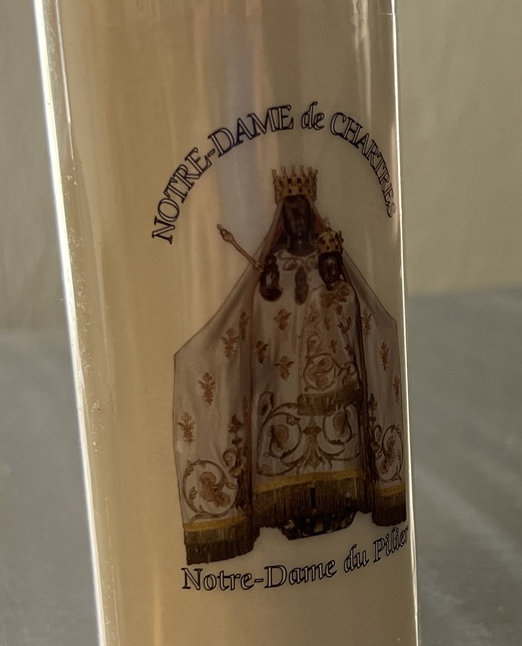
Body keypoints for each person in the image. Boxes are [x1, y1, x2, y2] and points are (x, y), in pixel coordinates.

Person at [173, 167, 406, 564]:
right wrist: (272, 290)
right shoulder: (276, 262)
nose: (298, 221)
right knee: (283, 434)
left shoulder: (328, 259)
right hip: (284, 375)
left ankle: (337, 501)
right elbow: (263, 315)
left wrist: (324, 298)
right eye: (291, 215)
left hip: (329, 373)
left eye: (302, 213)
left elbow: (348, 302)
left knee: (337, 434)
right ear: (283, 220)